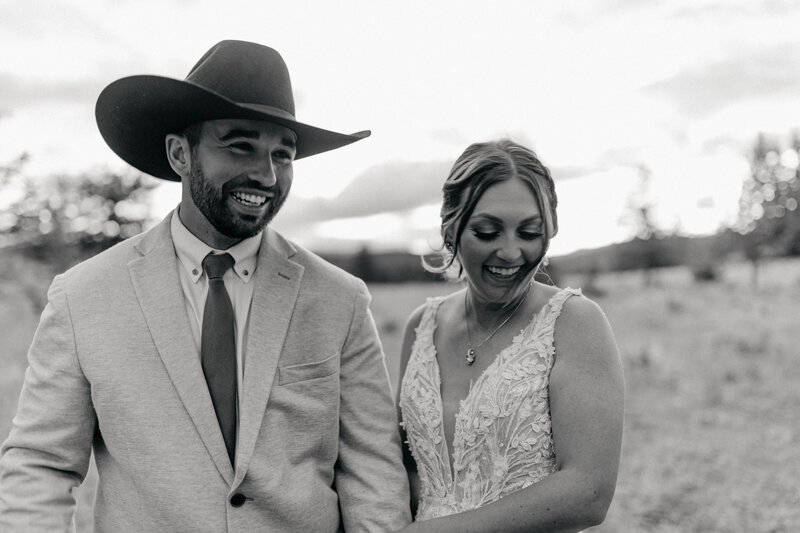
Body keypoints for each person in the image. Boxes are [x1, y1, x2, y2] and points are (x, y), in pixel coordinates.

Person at [0, 40, 411, 532]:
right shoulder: (83, 297)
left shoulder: (341, 300)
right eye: (240, 146)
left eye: (283, 154)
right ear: (180, 154)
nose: (265, 173)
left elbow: (374, 477)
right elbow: (41, 465)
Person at [395, 139, 624, 532]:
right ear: (451, 229)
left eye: (529, 232)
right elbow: (405, 469)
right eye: (487, 232)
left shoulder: (573, 323)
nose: (511, 252)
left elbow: (588, 491)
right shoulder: (422, 325)